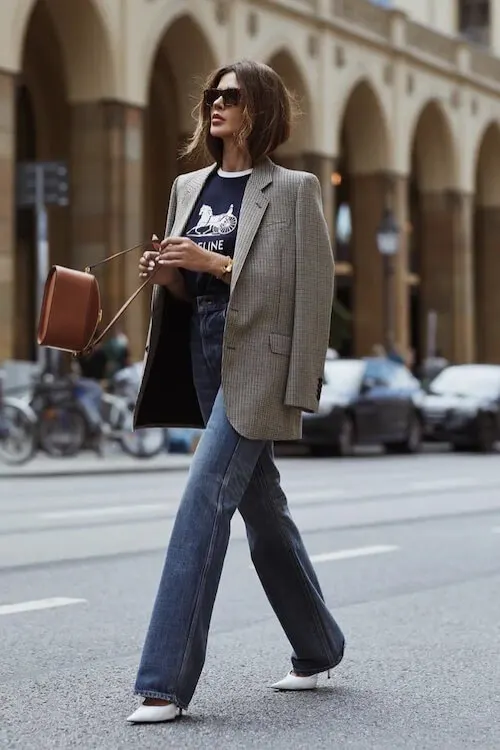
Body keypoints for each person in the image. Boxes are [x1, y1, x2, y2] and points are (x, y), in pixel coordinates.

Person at [127, 59, 345, 724]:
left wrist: (212, 261)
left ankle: (163, 681)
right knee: (266, 515)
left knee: (203, 501)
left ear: (260, 109)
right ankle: (318, 646)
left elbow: (307, 292)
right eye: (212, 95)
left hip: (259, 366)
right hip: (201, 357)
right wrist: (169, 276)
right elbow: (189, 294)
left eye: (232, 95)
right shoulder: (188, 186)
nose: (216, 105)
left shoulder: (294, 190)